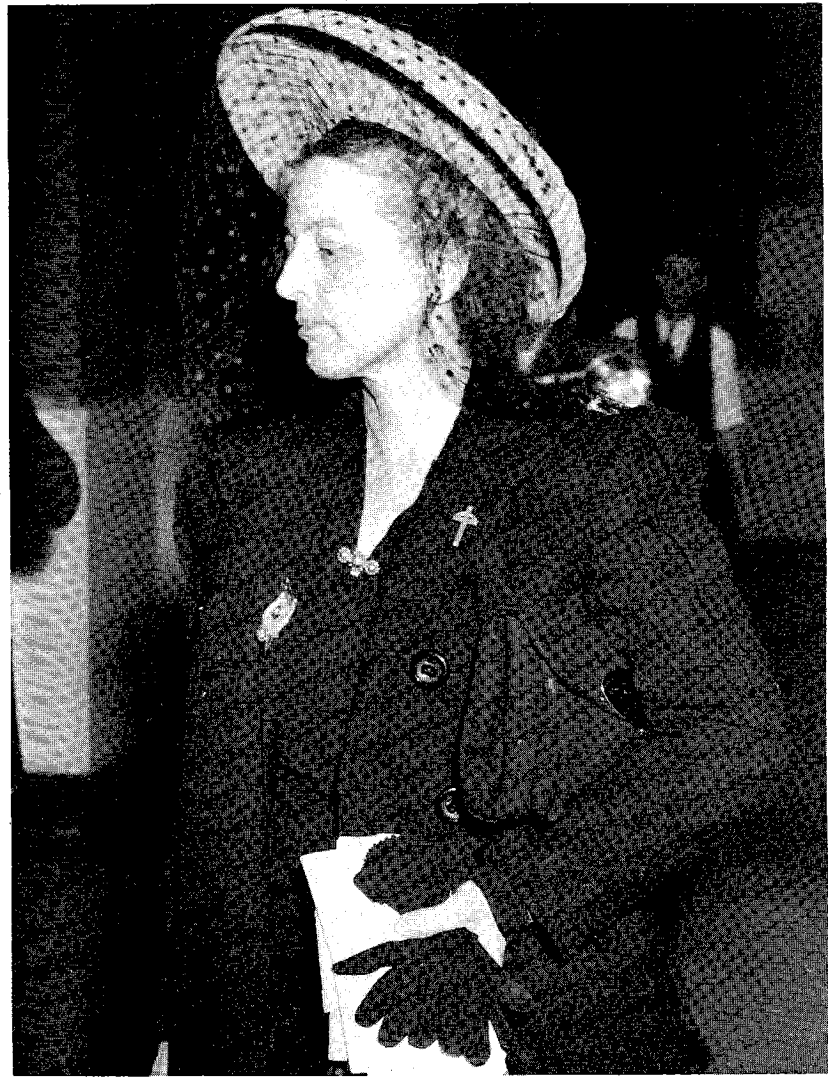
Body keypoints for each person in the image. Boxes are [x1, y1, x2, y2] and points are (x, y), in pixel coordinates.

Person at [169, 11, 787, 1076]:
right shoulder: (251, 483)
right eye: (288, 244)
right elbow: (219, 807)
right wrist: (192, 1034)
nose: (287, 282)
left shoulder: (593, 476)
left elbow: (734, 736)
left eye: (330, 248)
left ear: (447, 263)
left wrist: (500, 896)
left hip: (530, 1014)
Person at [614, 252, 745, 541]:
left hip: (697, 467)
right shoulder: (628, 332)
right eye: (670, 275)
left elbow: (725, 418)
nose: (677, 284)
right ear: (658, 279)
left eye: (687, 277)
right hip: (642, 466)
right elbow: (617, 411)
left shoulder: (717, 340)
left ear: (700, 283)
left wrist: (735, 483)